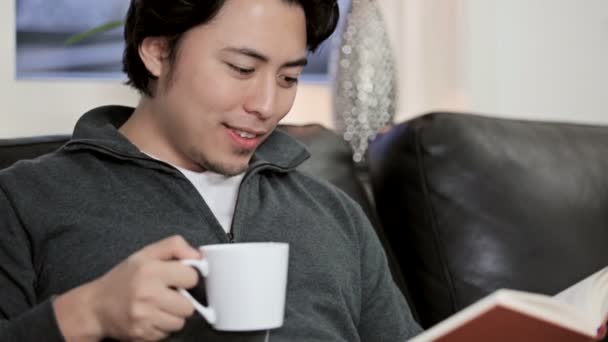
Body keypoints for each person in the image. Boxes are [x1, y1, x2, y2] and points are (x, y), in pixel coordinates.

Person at [0, 0, 422, 341]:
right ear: (159, 51)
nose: (266, 104)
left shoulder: (335, 214)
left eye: (289, 77)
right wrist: (85, 315)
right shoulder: (24, 199)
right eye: (242, 69)